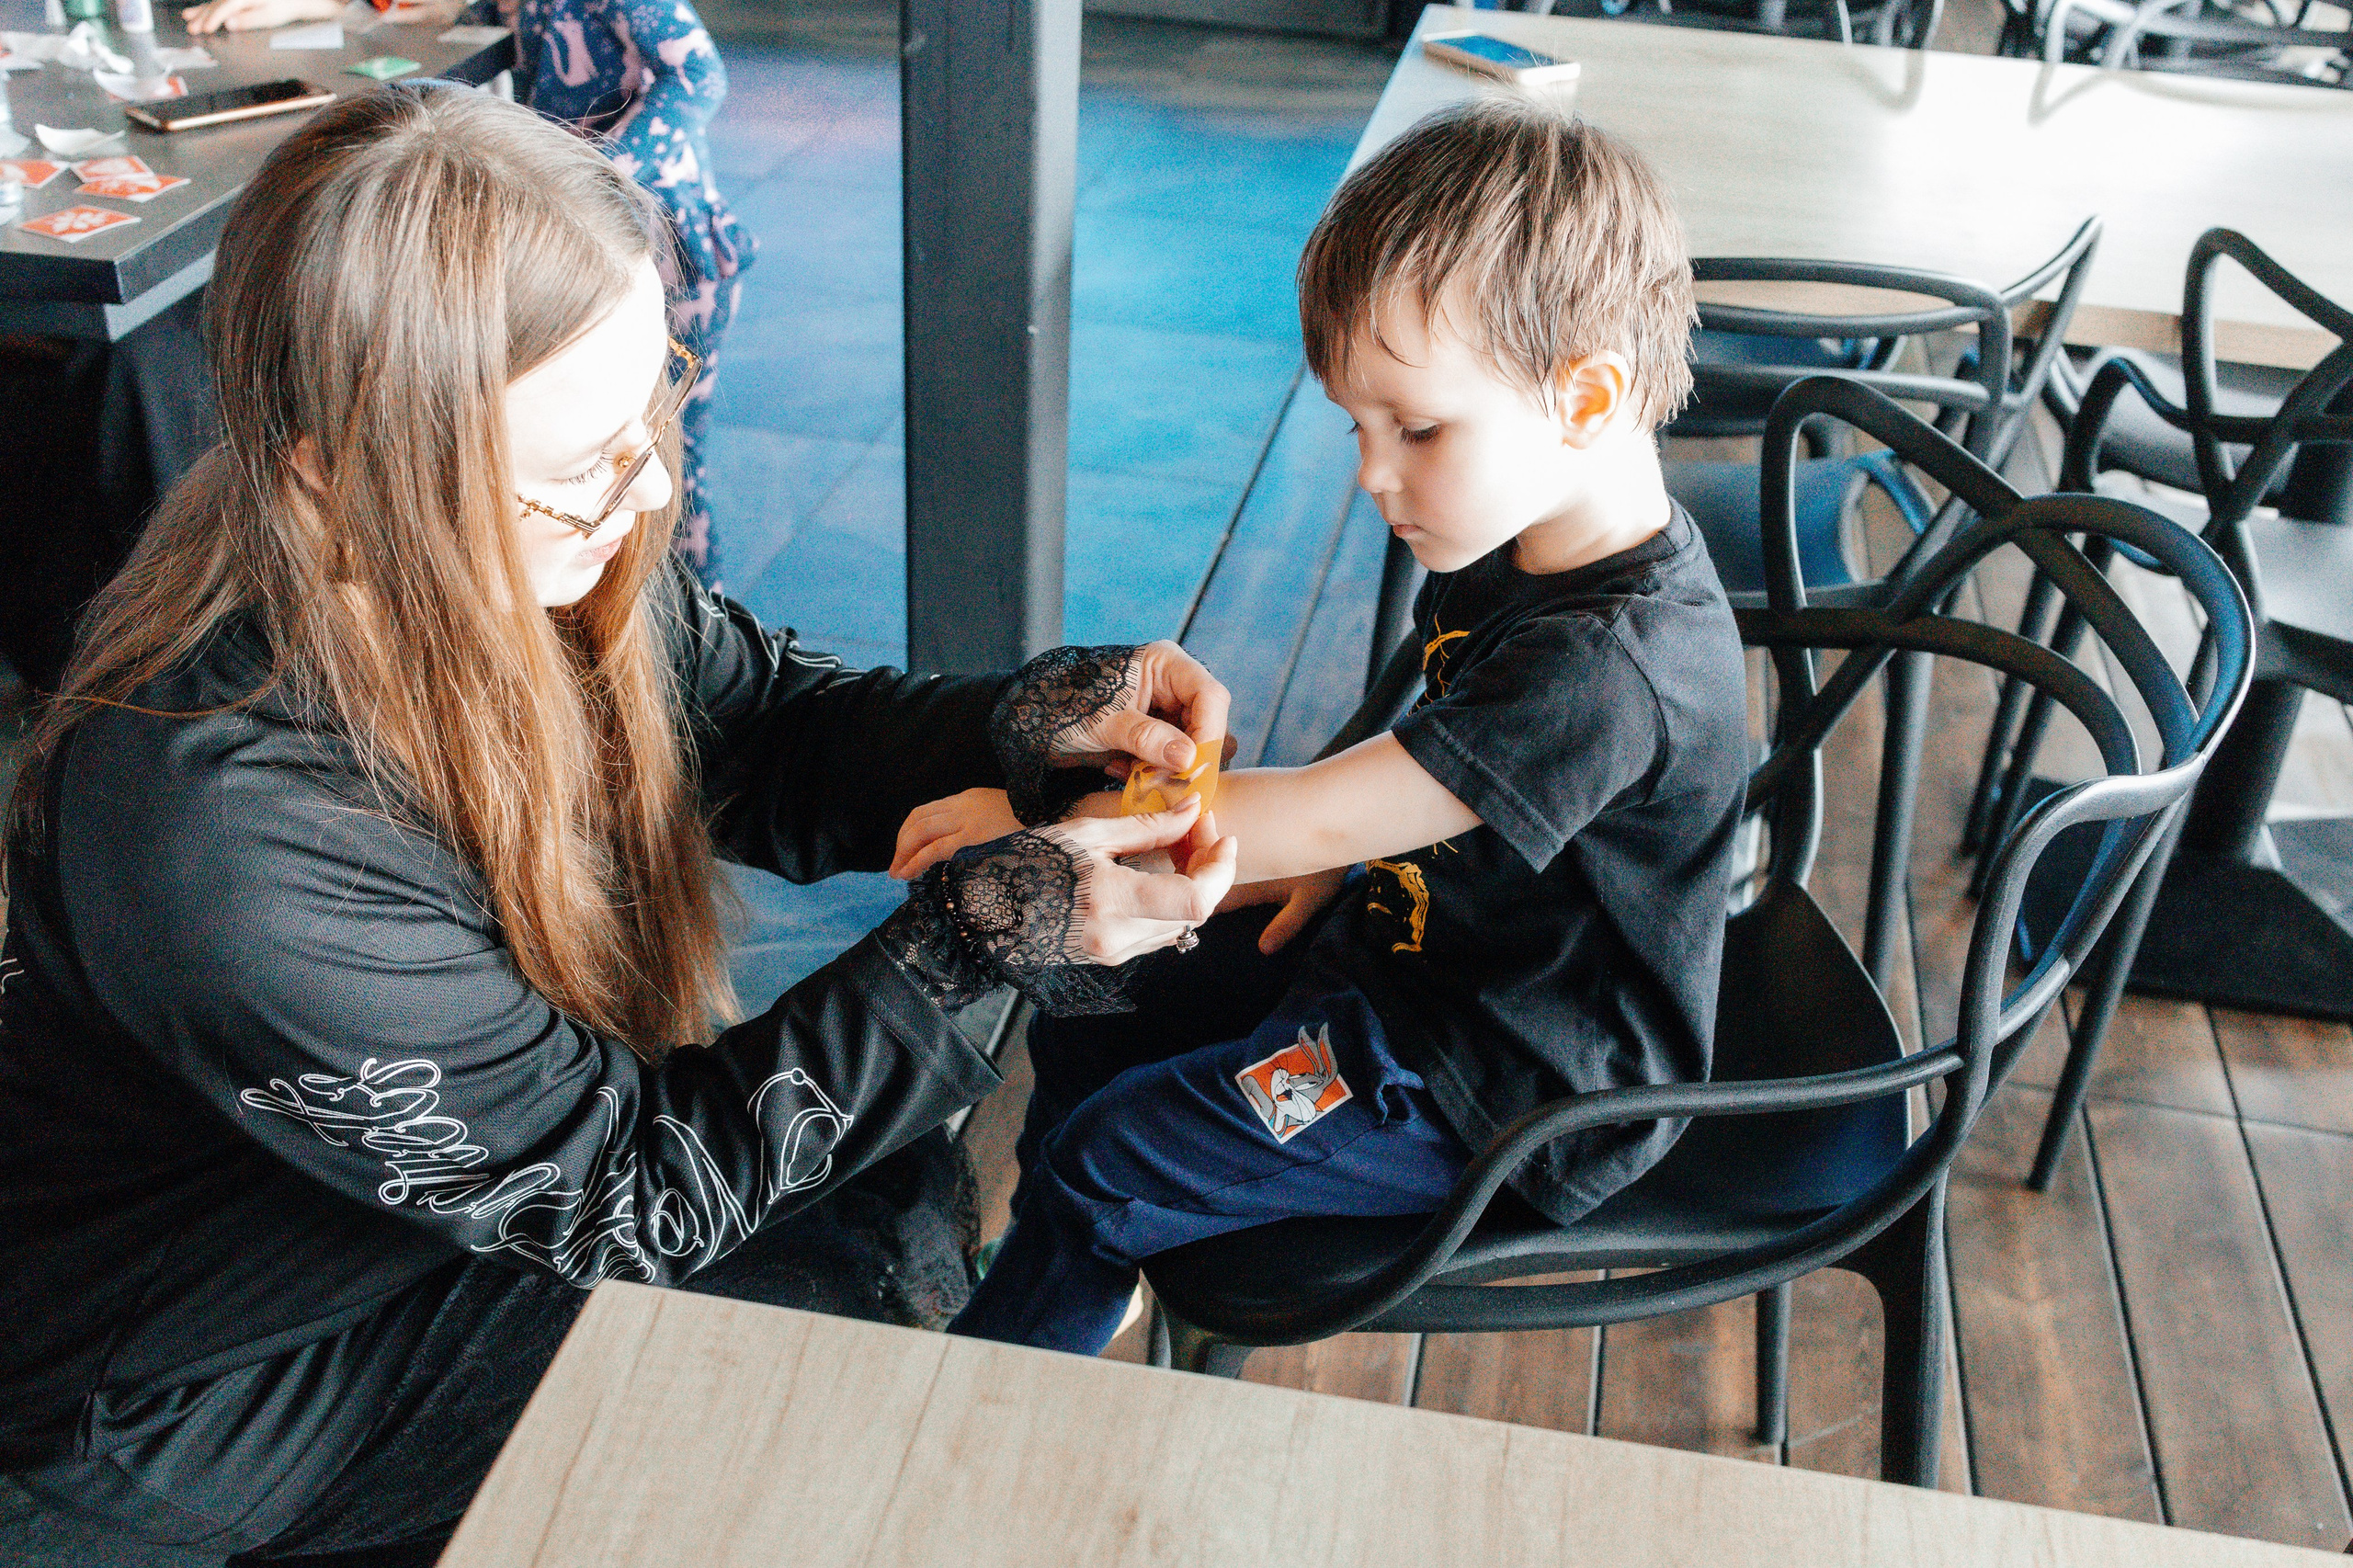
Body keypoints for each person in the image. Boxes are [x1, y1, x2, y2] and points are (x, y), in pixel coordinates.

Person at [0, 85, 1234, 1564]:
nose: (648, 486)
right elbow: (623, 1197)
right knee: (819, 1326)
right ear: (340, 476)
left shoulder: (499, 545)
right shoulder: (220, 837)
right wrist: (973, 941)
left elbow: (754, 716)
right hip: (197, 1387)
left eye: (651, 403)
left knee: (877, 1198)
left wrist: (1024, 726)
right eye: (580, 461)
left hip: (412, 1219)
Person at [892, 97, 1751, 1357]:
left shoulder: (1610, 665)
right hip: (1424, 958)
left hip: (1489, 1083)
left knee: (1110, 1159)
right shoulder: (1525, 539)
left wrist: (1034, 824)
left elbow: (1327, 800)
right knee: (1094, 1009)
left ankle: (989, 1386)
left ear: (1589, 395)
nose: (1369, 471)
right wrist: (1350, 861)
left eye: (1419, 427)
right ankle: (1061, 1269)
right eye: (1360, 426)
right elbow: (1437, 786)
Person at [182, 0, 751, 585]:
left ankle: (690, 602)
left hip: (651, 238)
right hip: (551, 237)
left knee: (670, 452)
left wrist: (588, 179)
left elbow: (699, 74)